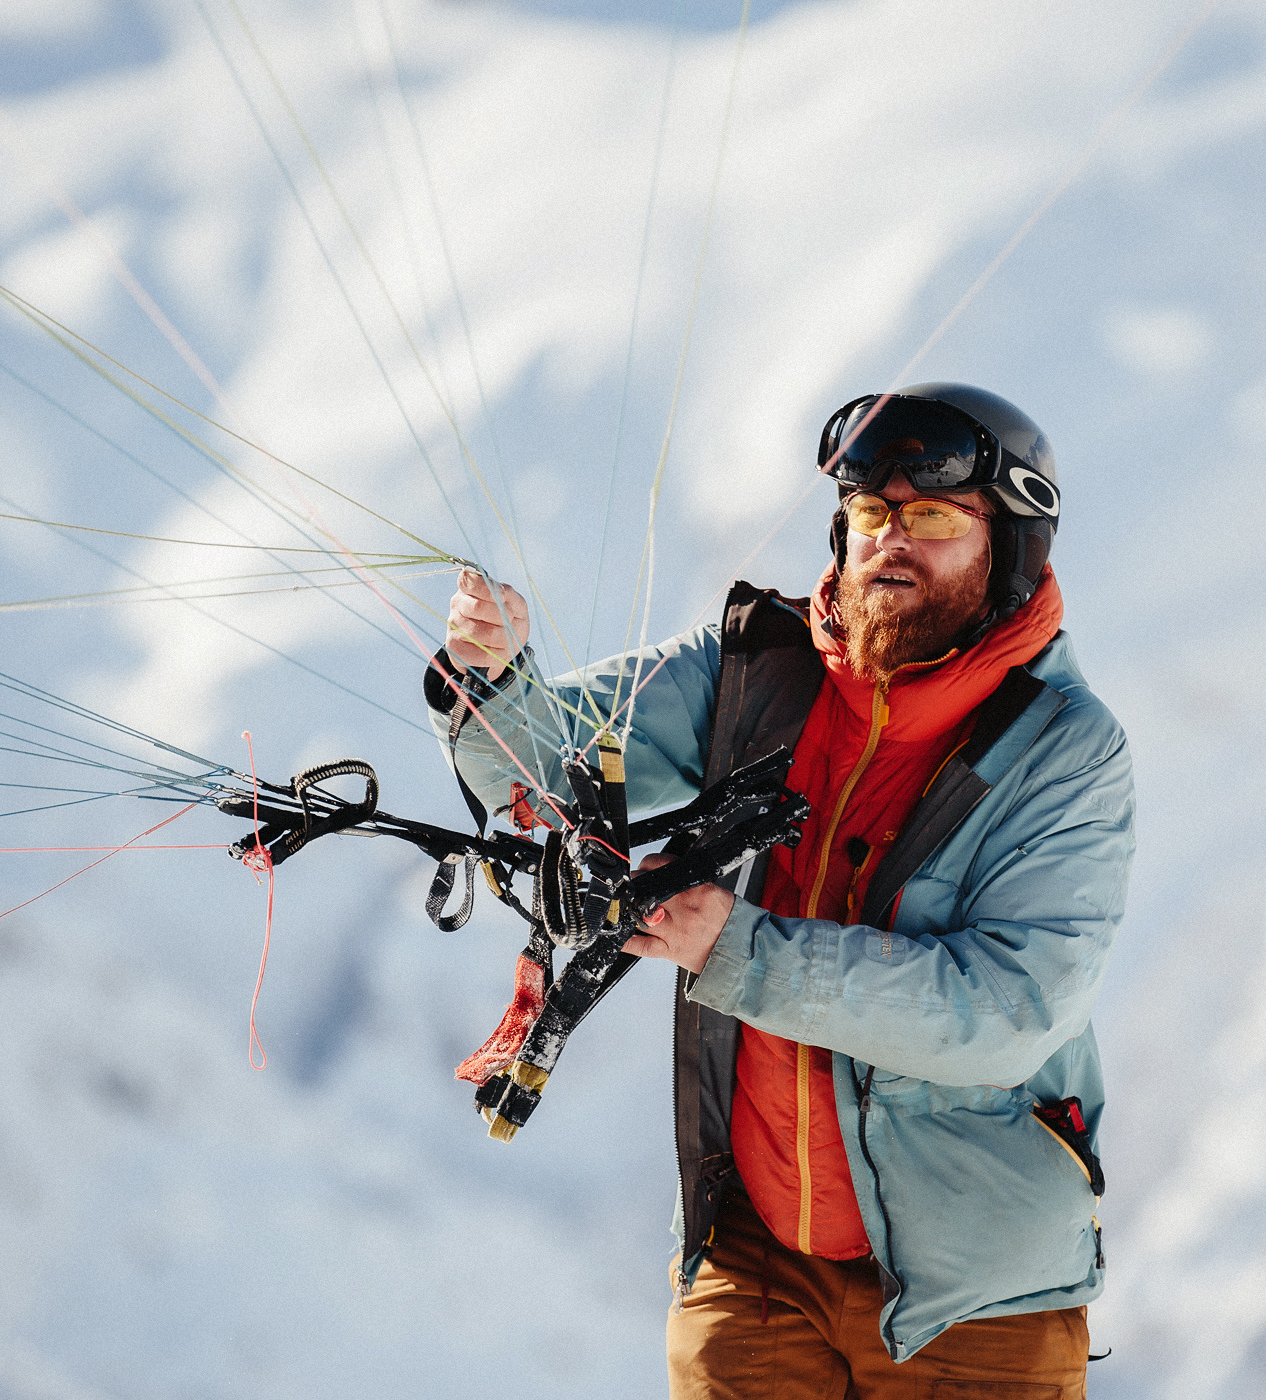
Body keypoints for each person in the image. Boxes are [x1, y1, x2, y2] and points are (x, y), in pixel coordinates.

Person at [425, 383, 1133, 1399]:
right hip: (752, 1263)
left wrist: (740, 950)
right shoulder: (761, 674)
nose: (889, 540)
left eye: (930, 517)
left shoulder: (1063, 750)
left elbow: (1006, 1006)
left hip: (974, 1302)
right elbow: (542, 770)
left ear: (1014, 545)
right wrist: (492, 679)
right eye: (868, 513)